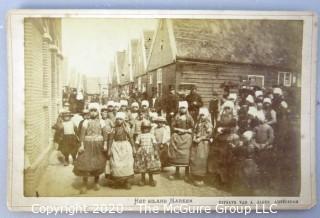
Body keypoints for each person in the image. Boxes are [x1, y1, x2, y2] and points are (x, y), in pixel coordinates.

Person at [73, 103, 108, 194]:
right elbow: (82, 134)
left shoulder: (102, 122)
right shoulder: (86, 122)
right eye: (91, 111)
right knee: (86, 163)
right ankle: (84, 183)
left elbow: (105, 134)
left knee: (97, 162)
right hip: (88, 144)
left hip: (98, 145)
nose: (93, 113)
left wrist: (105, 144)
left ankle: (96, 182)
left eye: (95, 111)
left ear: (98, 112)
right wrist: (81, 145)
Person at [168, 101, 194, 180]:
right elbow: (172, 127)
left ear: (187, 108)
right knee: (177, 154)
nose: (182, 109)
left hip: (186, 138)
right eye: (181, 108)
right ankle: (177, 172)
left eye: (184, 108)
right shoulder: (177, 117)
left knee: (186, 154)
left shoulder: (189, 117)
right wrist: (178, 129)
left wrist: (186, 131)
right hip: (178, 136)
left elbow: (192, 127)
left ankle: (186, 173)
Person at [108, 112, 135, 189]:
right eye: (117, 119)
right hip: (116, 147)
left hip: (125, 147)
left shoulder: (126, 128)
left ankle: (127, 182)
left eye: (120, 119)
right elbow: (110, 139)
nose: (119, 121)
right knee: (116, 164)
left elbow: (131, 138)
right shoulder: (113, 129)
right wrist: (109, 149)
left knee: (127, 163)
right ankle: (117, 182)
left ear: (123, 120)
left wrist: (133, 148)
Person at [190, 108, 213, 186]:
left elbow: (209, 134)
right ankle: (194, 175)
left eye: (203, 115)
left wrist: (200, 138)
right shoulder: (198, 122)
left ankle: (200, 177)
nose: (201, 116)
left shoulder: (208, 123)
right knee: (194, 158)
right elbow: (195, 130)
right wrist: (194, 137)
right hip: (196, 142)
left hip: (203, 143)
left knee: (201, 158)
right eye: (200, 115)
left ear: (206, 115)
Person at [134, 120, 161, 186]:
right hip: (142, 153)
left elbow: (154, 144)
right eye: (144, 128)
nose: (145, 129)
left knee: (150, 167)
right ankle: (143, 179)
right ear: (142, 128)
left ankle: (151, 179)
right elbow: (137, 143)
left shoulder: (151, 135)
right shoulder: (140, 135)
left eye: (147, 128)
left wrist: (155, 151)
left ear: (149, 129)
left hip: (150, 153)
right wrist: (136, 151)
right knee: (143, 166)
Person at [232, 131, 258, 195]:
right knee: (247, 177)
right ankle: (249, 189)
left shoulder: (248, 146)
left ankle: (248, 190)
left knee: (246, 177)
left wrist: (235, 147)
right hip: (248, 163)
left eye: (244, 138)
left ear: (248, 139)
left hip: (247, 163)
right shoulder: (250, 145)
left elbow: (238, 151)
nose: (242, 139)